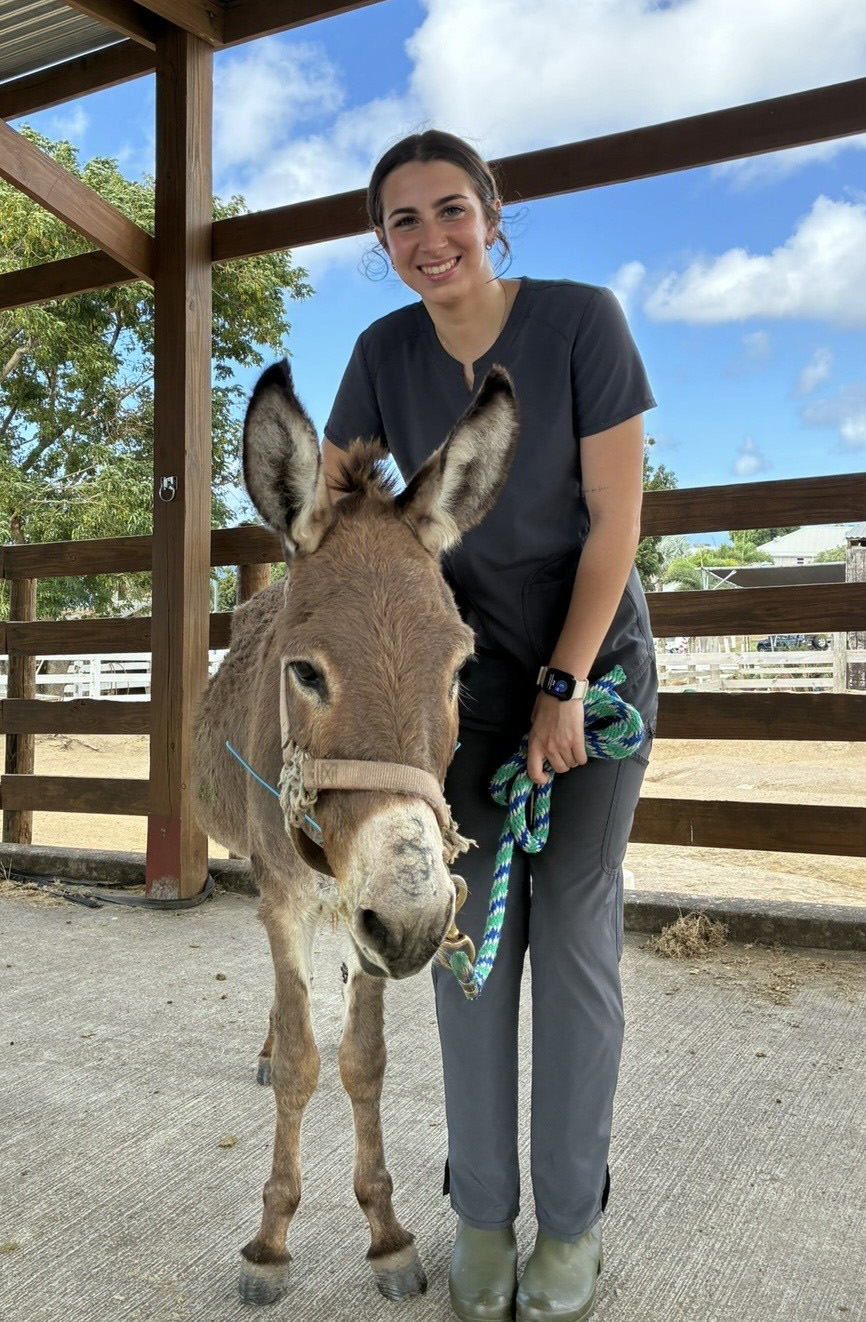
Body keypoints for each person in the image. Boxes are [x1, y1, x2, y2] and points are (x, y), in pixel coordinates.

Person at [322, 129, 658, 1322]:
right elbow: (343, 519)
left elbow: (614, 523)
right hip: (459, 685)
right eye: (401, 222)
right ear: (382, 242)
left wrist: (566, 688)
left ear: (493, 213)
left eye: (449, 210)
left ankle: (568, 1221)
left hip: (589, 665)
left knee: (568, 933)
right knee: (463, 946)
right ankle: (479, 1209)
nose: (429, 239)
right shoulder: (379, 353)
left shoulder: (581, 322)